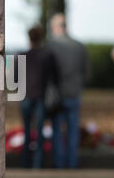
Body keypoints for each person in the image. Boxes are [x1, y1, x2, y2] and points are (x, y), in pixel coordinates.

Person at [47, 13, 90, 168]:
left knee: (57, 131)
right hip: (74, 93)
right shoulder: (79, 46)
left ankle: (59, 163)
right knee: (73, 131)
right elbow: (87, 73)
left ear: (55, 27)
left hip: (57, 95)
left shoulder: (50, 46)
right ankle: (72, 163)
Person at [18, 26, 58, 168]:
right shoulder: (47, 55)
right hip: (41, 97)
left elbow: (14, 78)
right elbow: (54, 77)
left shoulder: (21, 55)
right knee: (40, 132)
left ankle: (25, 163)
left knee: (27, 132)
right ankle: (38, 164)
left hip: (26, 96)